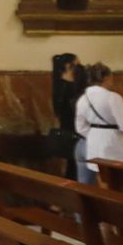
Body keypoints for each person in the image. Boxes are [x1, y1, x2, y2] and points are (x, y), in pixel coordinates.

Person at [75, 63, 123, 175]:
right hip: (114, 145)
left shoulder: (83, 99)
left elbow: (80, 128)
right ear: (106, 78)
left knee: (102, 179)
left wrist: (96, 134)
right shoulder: (113, 97)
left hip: (94, 146)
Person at [50, 53, 86, 181]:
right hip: (71, 125)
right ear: (69, 66)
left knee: (74, 161)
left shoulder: (65, 83)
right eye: (77, 65)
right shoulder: (64, 85)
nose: (80, 68)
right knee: (73, 160)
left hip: (73, 124)